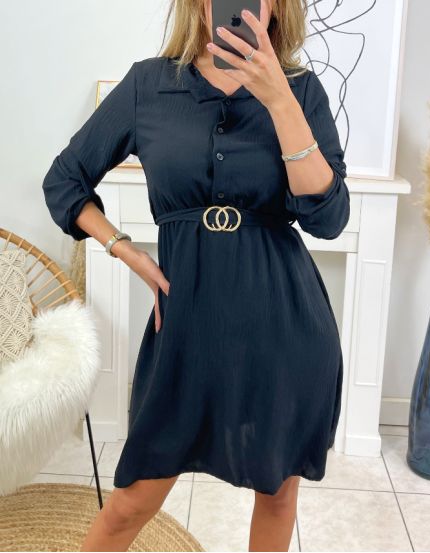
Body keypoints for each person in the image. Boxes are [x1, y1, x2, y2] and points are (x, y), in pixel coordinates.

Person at [42, 0, 350, 550]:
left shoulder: (301, 91)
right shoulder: (149, 85)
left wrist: (279, 99)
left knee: (277, 495)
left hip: (283, 329)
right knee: (130, 503)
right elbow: (64, 180)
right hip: (185, 328)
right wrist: (125, 250)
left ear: (276, 7)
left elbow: (328, 218)